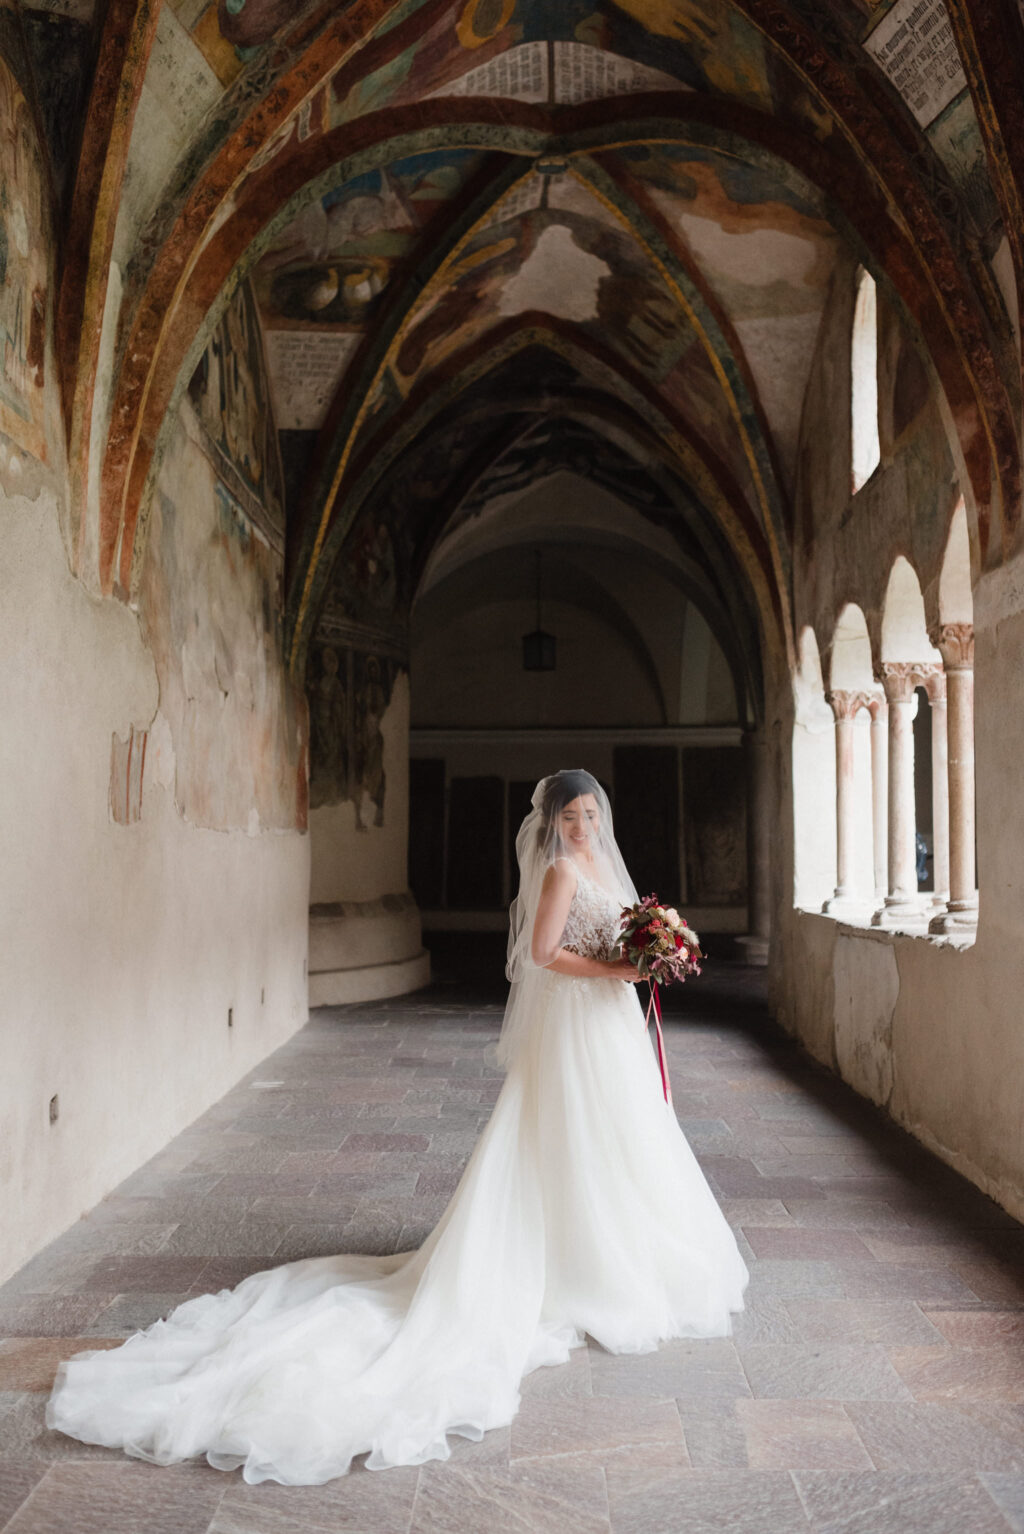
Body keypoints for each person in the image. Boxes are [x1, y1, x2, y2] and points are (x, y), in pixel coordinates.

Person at [47, 769, 748, 1485]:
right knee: (571, 1139)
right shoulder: (563, 872)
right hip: (579, 1022)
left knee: (624, 1139)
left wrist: (650, 954)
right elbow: (541, 957)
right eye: (570, 815)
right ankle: (574, 1258)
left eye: (591, 811)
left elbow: (622, 935)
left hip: (611, 1025)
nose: (582, 824)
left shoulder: (603, 861)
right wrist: (616, 969)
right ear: (553, 823)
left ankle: (622, 1250)